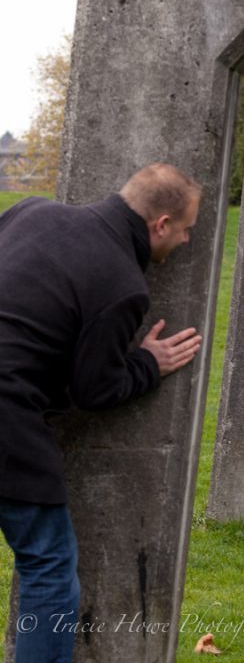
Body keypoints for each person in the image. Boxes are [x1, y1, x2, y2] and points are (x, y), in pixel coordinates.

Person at [0, 163, 203, 663]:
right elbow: (95, 388)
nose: (187, 238)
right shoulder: (123, 284)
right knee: (49, 572)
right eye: (184, 228)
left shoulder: (31, 211)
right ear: (160, 224)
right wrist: (147, 364)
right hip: (7, 421)